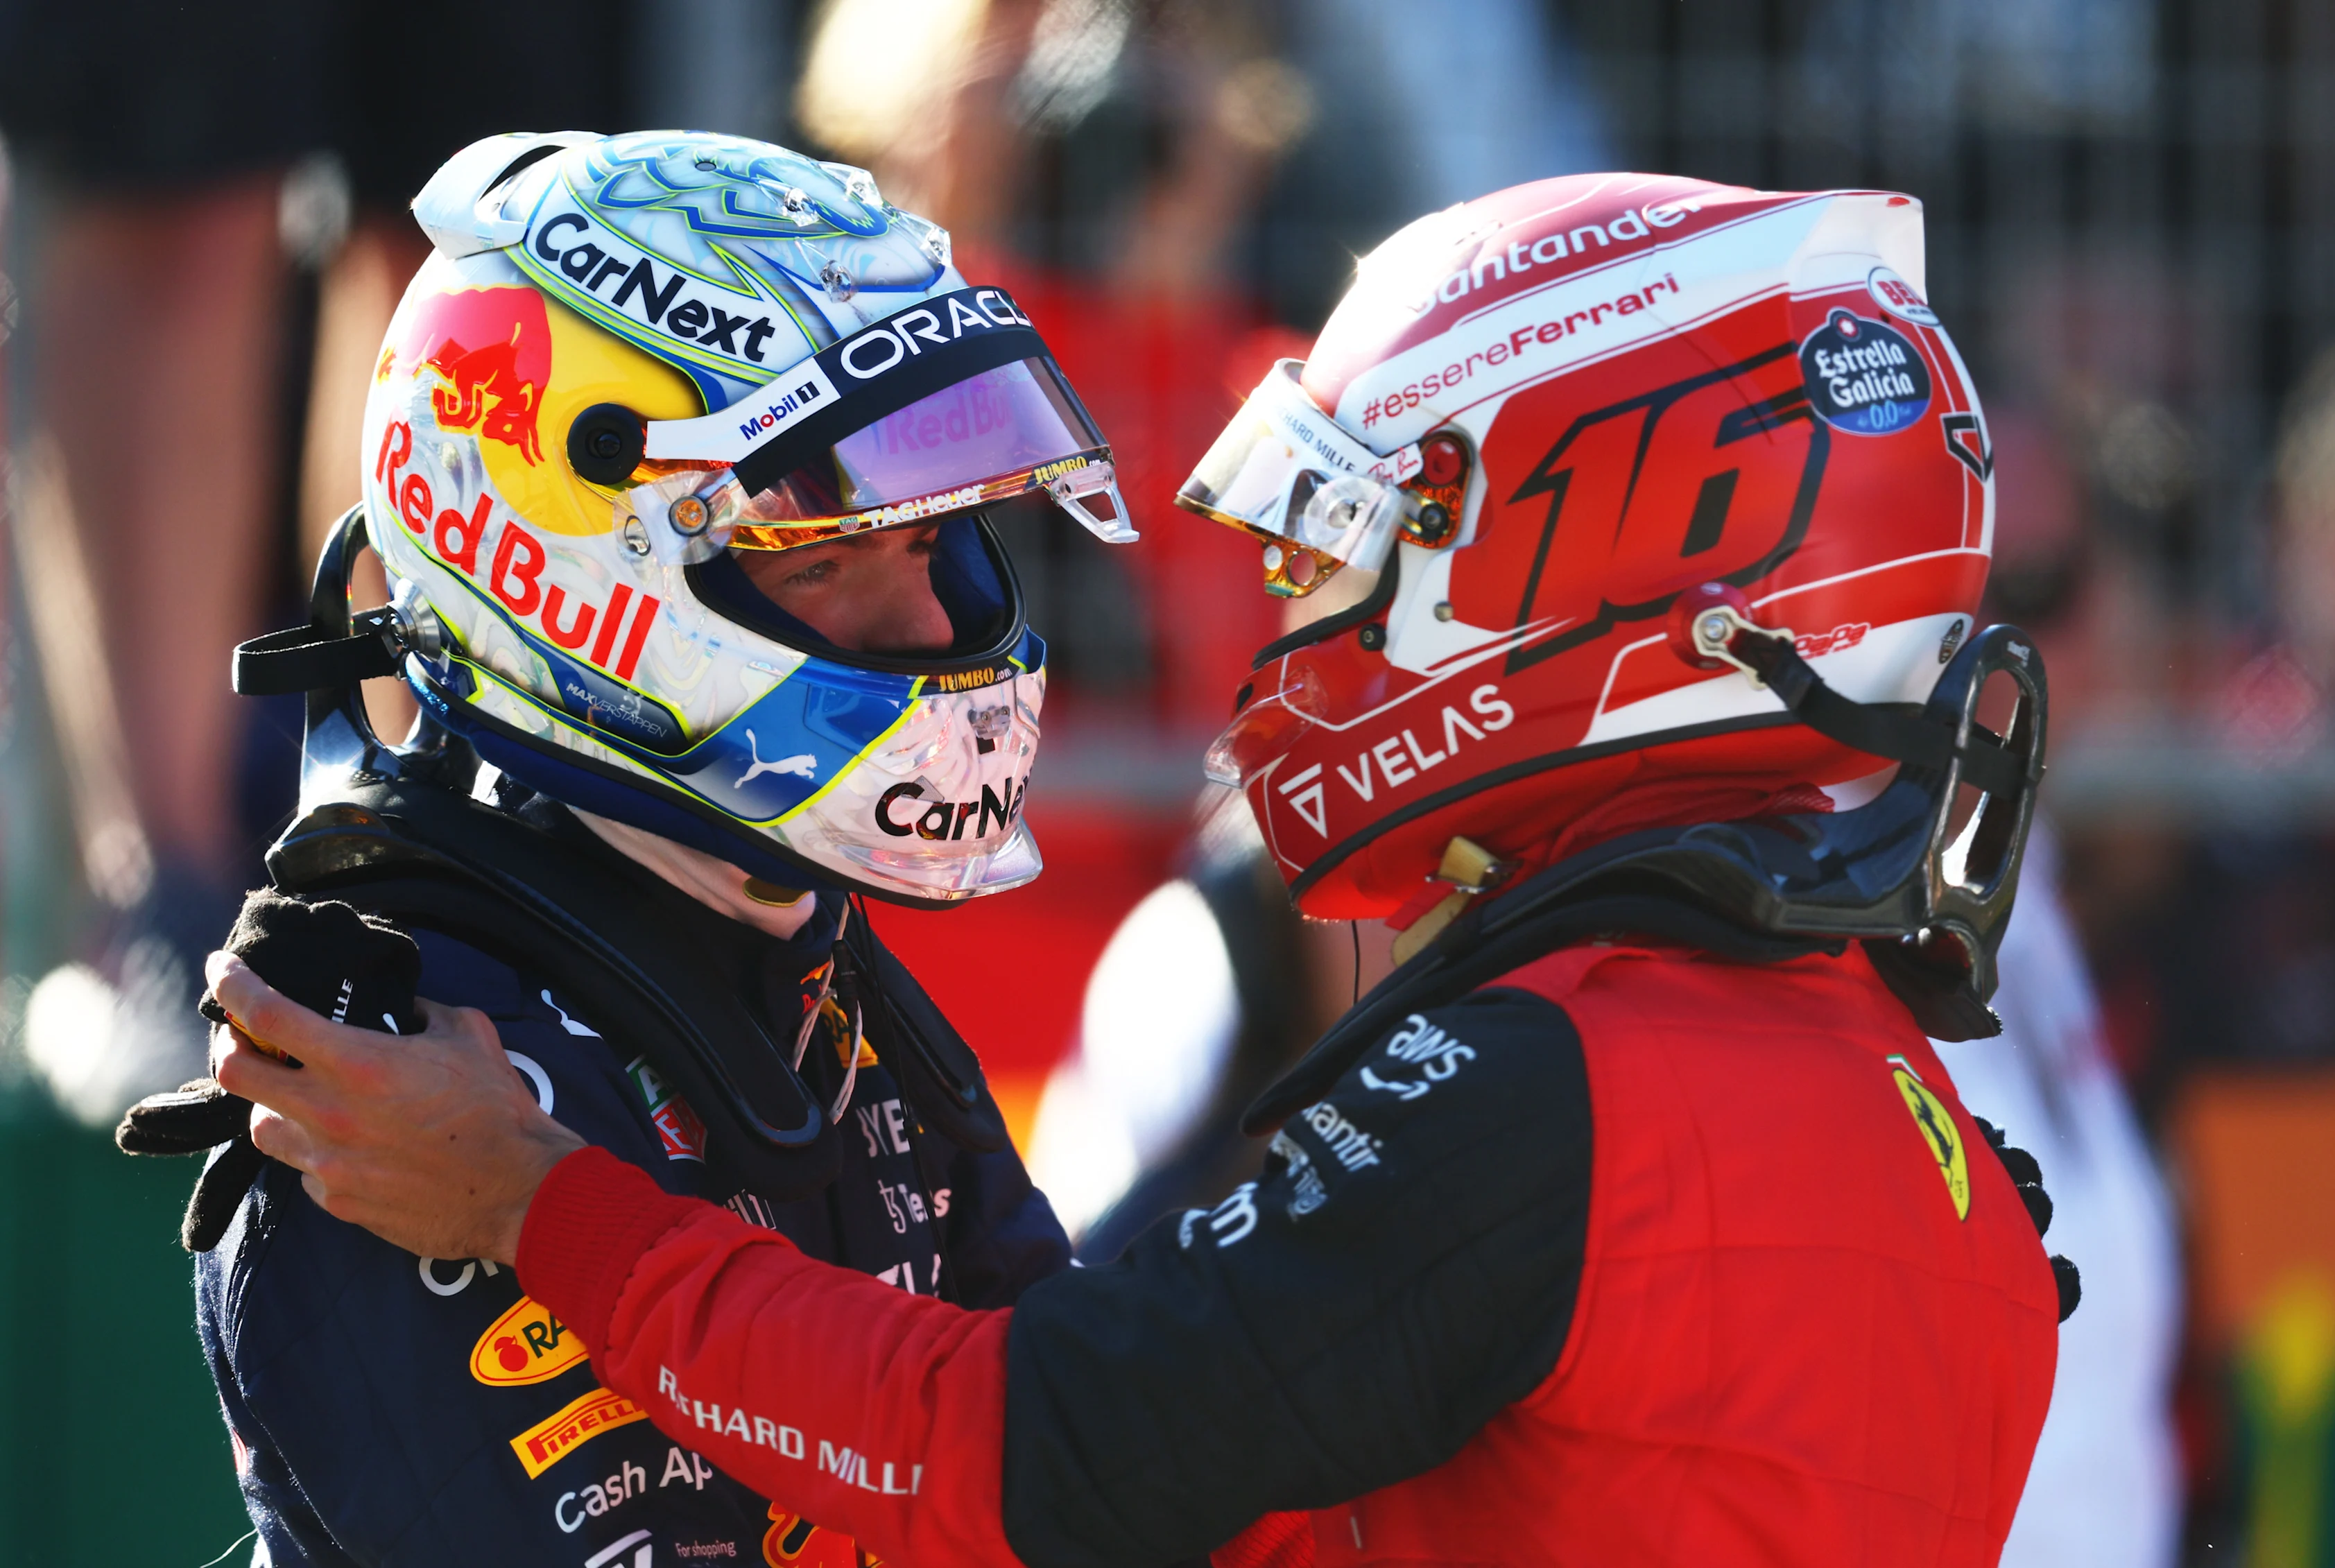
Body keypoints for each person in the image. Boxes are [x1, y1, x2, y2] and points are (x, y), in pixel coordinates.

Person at [214, 173, 2076, 1567]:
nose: (1296, 634)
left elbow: (1042, 1454)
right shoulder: (1947, 1170)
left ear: (1596, 565)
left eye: (1359, 550)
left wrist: (541, 1200)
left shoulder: (1578, 1094)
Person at [149, 128, 1144, 1565]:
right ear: (573, 572)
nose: (937, 634)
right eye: (830, 559)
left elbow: (1079, 1457)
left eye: (936, 547)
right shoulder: (408, 1064)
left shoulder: (792, 950)